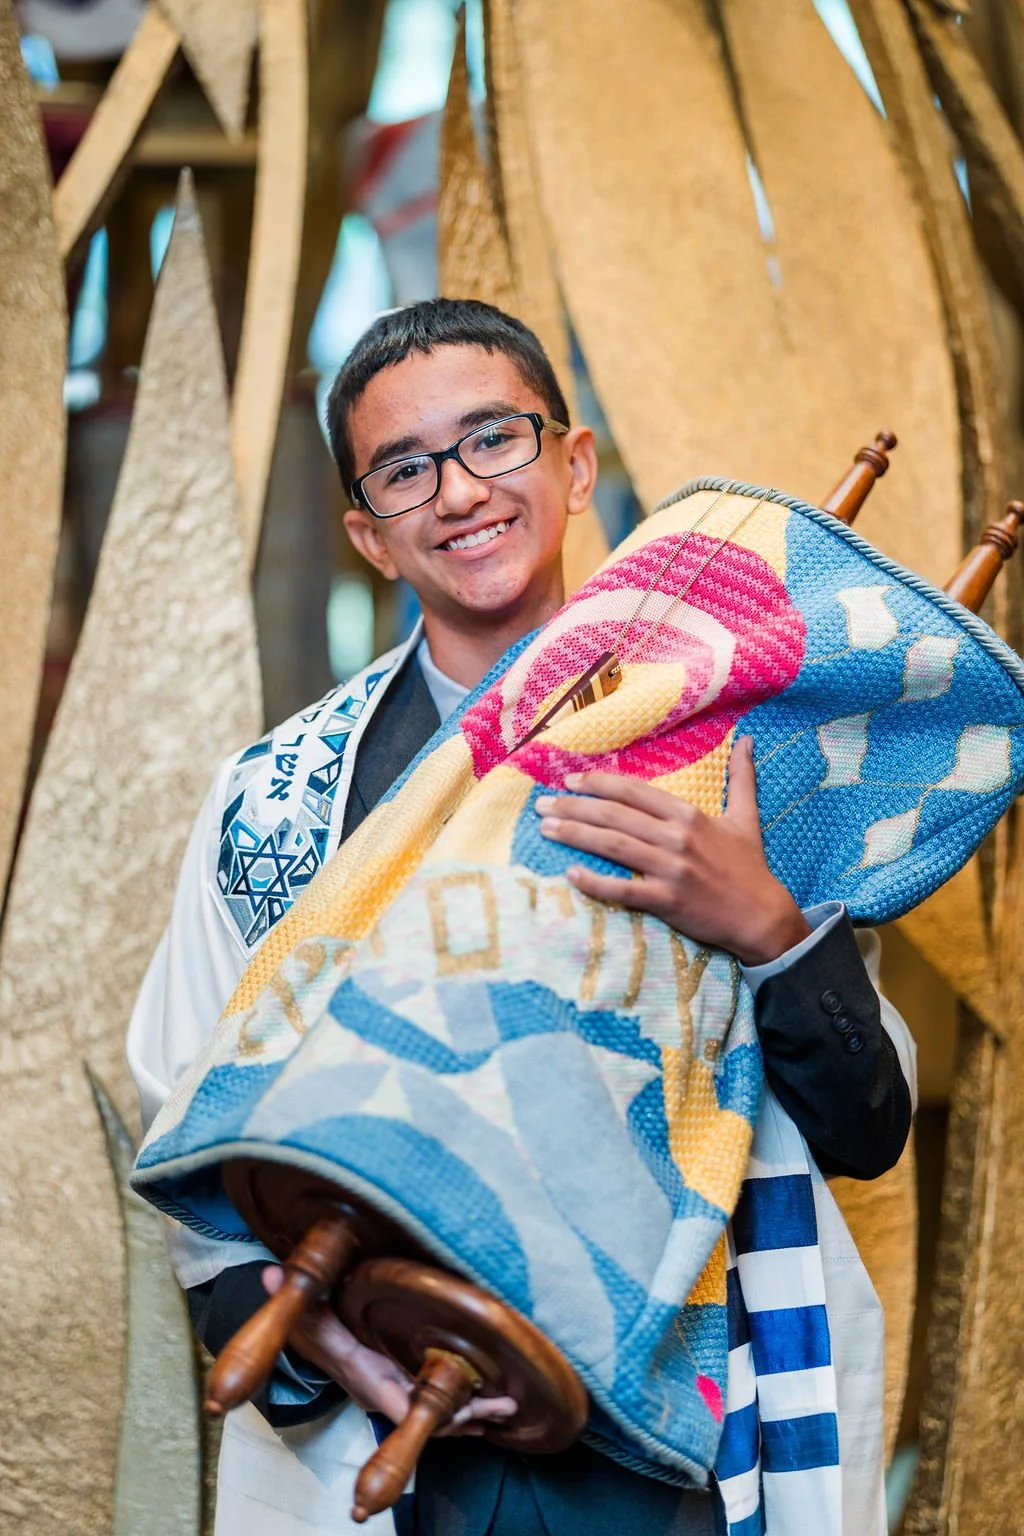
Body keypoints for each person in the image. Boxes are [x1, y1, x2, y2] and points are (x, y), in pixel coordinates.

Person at [128, 298, 916, 1536]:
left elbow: (864, 1131)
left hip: (692, 1432)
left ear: (576, 463)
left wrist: (767, 928)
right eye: (405, 469)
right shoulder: (280, 798)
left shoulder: (736, 747)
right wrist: (318, 1337)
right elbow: (194, 1125)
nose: (458, 492)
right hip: (401, 1433)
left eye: (495, 439)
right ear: (369, 537)